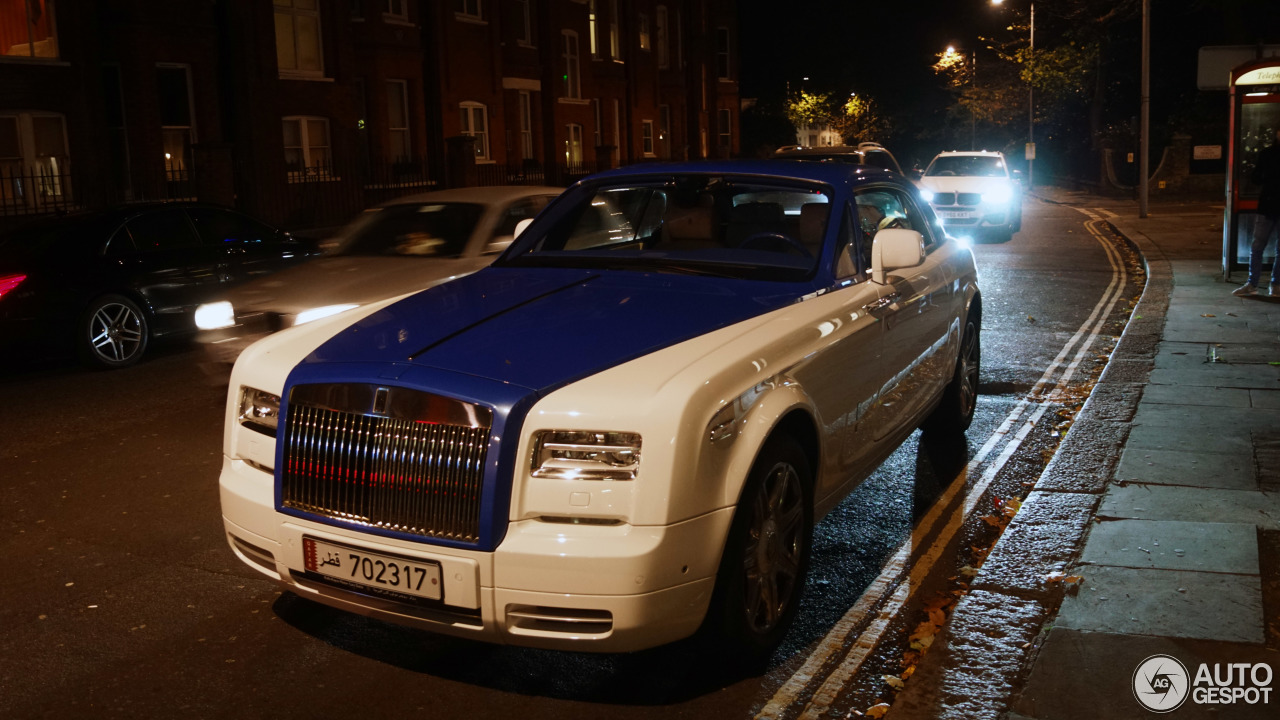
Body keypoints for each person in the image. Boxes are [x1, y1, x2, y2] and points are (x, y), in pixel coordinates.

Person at [1234, 127, 1280, 296]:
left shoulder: (1268, 154)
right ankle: (1255, 283)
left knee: (1261, 247)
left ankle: (1273, 284)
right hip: (1267, 205)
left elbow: (1256, 178)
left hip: (1268, 204)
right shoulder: (1267, 154)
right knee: (1258, 246)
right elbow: (1255, 177)